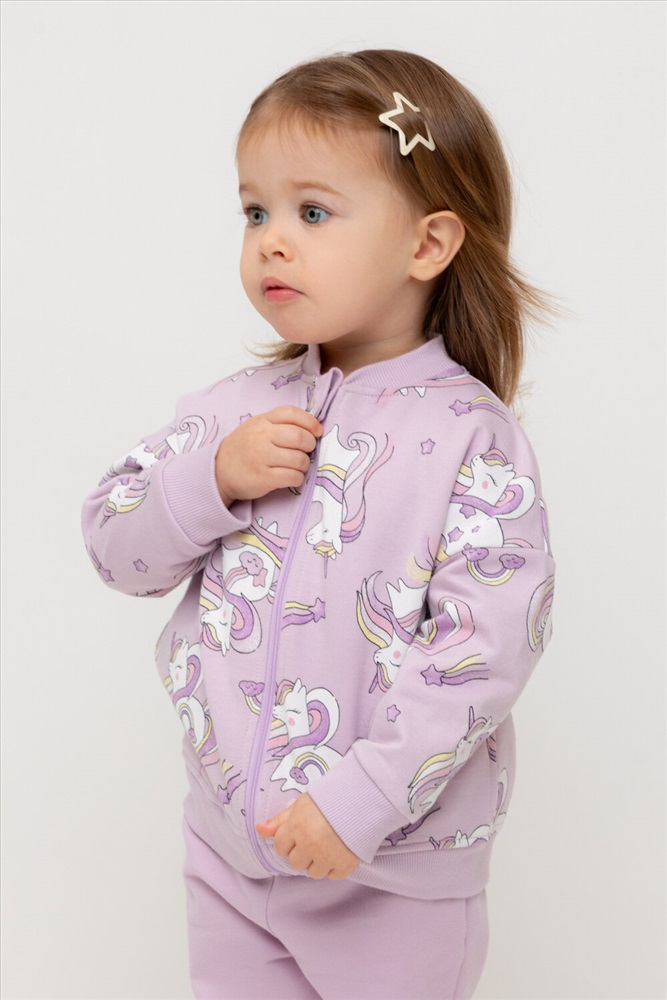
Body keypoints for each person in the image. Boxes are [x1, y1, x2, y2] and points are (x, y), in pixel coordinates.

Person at [82, 49, 556, 1000]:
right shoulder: (230, 412)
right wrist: (210, 480)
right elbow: (112, 547)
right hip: (229, 859)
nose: (270, 242)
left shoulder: (469, 436)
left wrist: (362, 800)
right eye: (254, 211)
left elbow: (484, 649)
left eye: (312, 212)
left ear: (427, 244)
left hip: (390, 874)